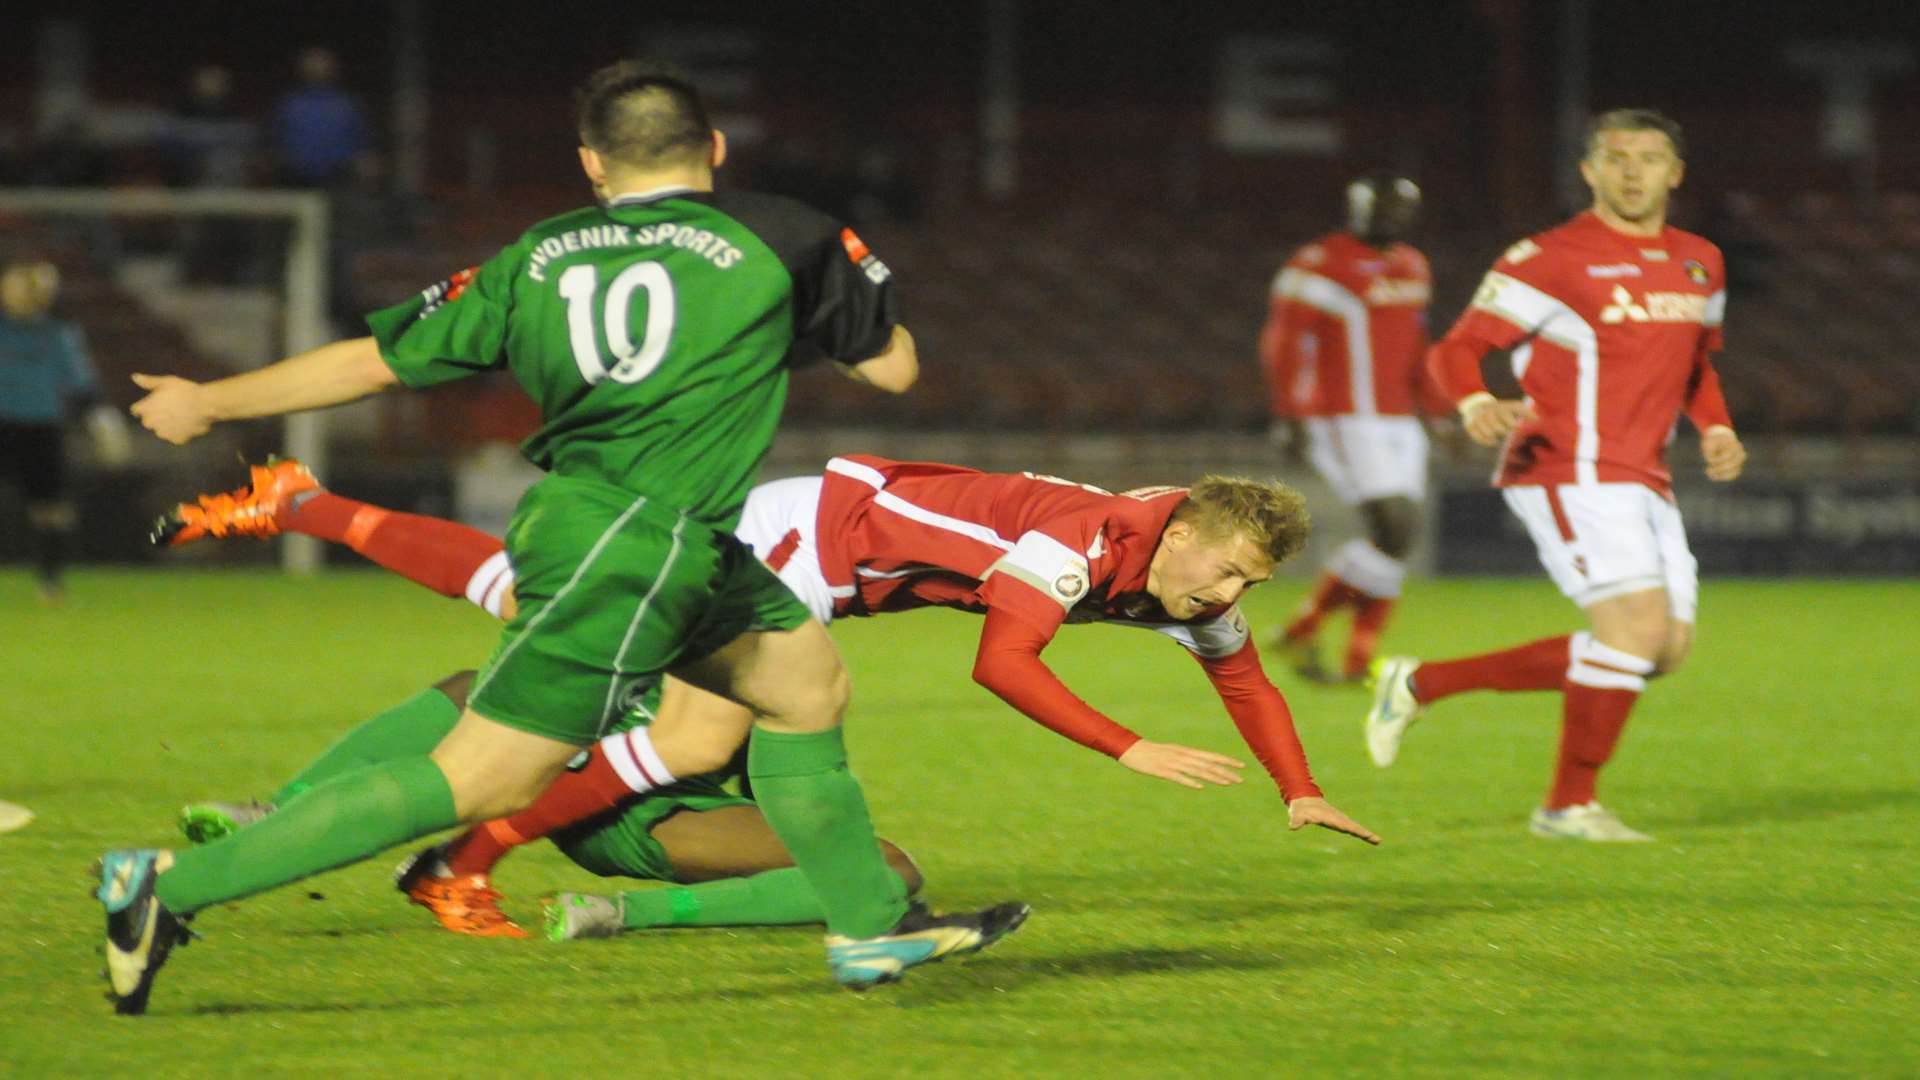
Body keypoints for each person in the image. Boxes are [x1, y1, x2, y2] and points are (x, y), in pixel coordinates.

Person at [97, 61, 1023, 1015]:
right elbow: (894, 370)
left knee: (802, 682)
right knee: (485, 779)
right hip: (640, 540)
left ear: (592, 164)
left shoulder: (538, 253)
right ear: (713, 148)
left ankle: (871, 926)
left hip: (638, 531)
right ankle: (163, 890)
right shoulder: (786, 234)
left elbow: (378, 363)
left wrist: (209, 400)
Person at [164, 453, 1381, 935]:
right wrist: (1128, 749)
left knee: (520, 603)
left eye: (1250, 581)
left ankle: (301, 504)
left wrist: (1301, 786)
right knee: (691, 729)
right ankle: (459, 859)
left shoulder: (1183, 581)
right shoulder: (1086, 541)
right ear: (1185, 536)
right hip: (804, 537)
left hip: (832, 567)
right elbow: (1002, 663)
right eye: (1227, 568)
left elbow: (1250, 679)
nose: (1232, 593)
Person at [1363, 109, 1747, 841]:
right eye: (1616, 156)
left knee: (1661, 651)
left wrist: (1719, 426)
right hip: (1567, 465)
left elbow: (1696, 362)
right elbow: (1457, 348)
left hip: (1644, 475)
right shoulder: (1551, 257)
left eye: (1649, 157)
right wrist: (1475, 402)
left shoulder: (1701, 260)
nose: (1632, 169)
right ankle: (1568, 807)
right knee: (1634, 633)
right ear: (1589, 171)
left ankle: (1419, 683)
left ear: (1676, 172)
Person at [181, 671, 928, 940]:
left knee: (889, 867)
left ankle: (616, 914)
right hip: (590, 798)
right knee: (886, 870)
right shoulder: (721, 624)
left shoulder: (741, 636)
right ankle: (277, 812)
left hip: (622, 807)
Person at [1259, 174, 1450, 684]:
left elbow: (1417, 343)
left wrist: (1434, 410)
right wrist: (1288, 413)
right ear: (1354, 208)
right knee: (1396, 526)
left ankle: (1323, 641)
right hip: (1342, 415)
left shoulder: (1414, 265)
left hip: (1399, 419)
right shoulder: (1317, 263)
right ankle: (1332, 641)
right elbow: (1283, 342)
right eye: (1376, 206)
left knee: (1397, 536)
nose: (1388, 217)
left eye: (1399, 208)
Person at [0, 255, 131, 603]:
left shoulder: (58, 334)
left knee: (51, 509)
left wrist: (102, 420)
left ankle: (51, 582)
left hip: (40, 428)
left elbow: (82, 383)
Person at [271, 47, 367, 188]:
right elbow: (275, 140)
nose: (318, 69)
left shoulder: (347, 105)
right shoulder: (289, 105)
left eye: (322, 63)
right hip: (295, 178)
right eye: (313, 64)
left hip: (339, 178)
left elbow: (363, 142)